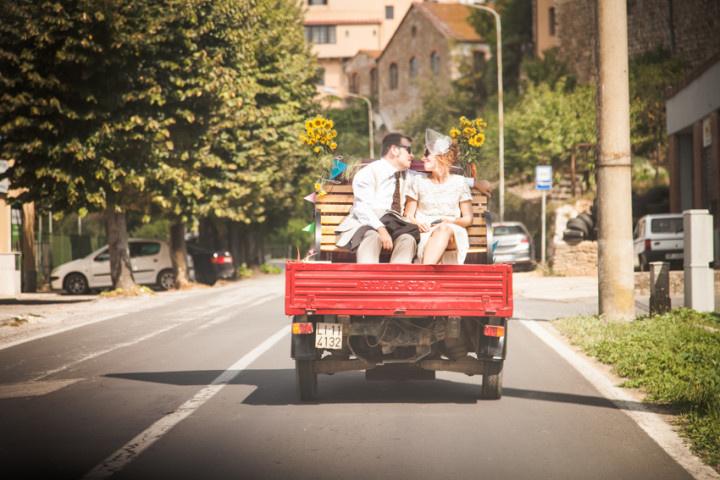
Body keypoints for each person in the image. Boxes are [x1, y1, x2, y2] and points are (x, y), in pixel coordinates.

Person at [335, 133, 420, 263]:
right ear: (394, 150)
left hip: (396, 225)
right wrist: (381, 229)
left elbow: (433, 180)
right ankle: (367, 279)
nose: (412, 155)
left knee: (408, 239)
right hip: (366, 224)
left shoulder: (409, 176)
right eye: (408, 150)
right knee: (373, 237)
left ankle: (399, 280)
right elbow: (362, 208)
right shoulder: (368, 173)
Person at [404, 129, 473, 265]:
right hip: (425, 232)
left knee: (443, 229)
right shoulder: (418, 181)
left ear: (441, 157)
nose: (423, 158)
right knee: (439, 232)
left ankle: (424, 273)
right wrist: (417, 224)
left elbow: (468, 219)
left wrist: (450, 221)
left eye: (427, 154)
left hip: (452, 231)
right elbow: (408, 215)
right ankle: (428, 272)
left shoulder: (459, 182)